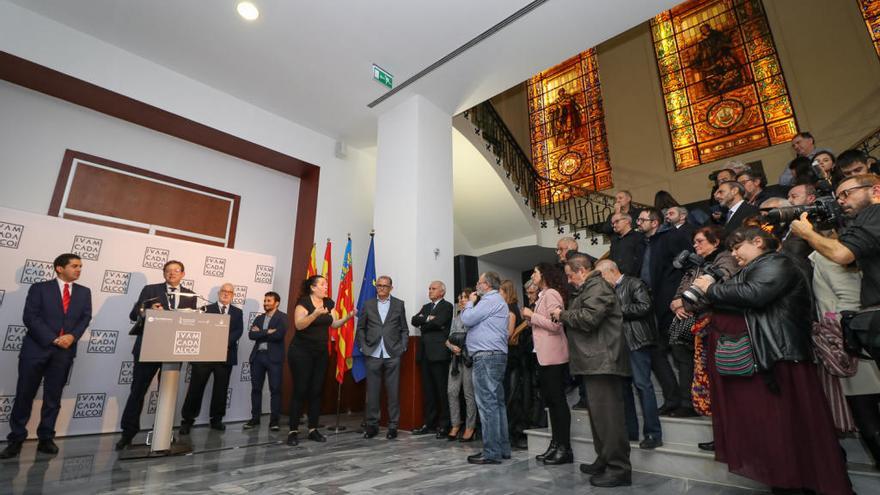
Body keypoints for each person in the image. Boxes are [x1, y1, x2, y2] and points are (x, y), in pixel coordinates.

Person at [692, 227, 853, 494]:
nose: (734, 255)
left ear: (757, 242)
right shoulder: (752, 267)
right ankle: (787, 484)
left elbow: (754, 295)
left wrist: (711, 289)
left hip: (780, 356)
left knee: (793, 431)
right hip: (765, 359)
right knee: (776, 435)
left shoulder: (778, 262)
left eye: (737, 247)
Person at [0, 254, 92, 459]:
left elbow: (85, 317)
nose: (79, 270)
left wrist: (72, 336)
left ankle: (46, 438)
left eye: (80, 266)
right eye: (74, 266)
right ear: (59, 268)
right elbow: (30, 317)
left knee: (53, 397)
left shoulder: (84, 292)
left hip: (65, 352)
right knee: (24, 394)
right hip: (36, 350)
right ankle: (16, 439)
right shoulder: (39, 288)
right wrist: (53, 339)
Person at [554, 254, 631, 487]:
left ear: (581, 271)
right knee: (599, 419)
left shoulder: (597, 286)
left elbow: (589, 318)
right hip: (594, 361)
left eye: (569, 275)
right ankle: (605, 459)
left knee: (609, 419)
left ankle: (619, 469)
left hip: (603, 361)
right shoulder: (590, 288)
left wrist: (562, 315)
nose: (568, 281)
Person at [791, 174, 880, 366]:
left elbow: (842, 254)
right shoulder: (863, 222)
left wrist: (807, 233)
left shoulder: (875, 211)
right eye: (838, 197)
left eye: (846, 194)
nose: (841, 201)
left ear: (875, 191)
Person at [118, 260, 197, 450]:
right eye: (168, 271)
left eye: (176, 271)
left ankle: (162, 433)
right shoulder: (150, 290)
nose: (172, 274)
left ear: (183, 274)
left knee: (168, 393)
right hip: (149, 348)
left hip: (174, 350)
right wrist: (148, 311)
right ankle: (127, 434)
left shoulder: (191, 295)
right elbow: (134, 313)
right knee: (138, 391)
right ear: (164, 273)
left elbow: (192, 321)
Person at [669, 226, 738, 421]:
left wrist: (685, 304)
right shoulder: (696, 263)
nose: (694, 245)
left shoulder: (723, 259)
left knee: (714, 374)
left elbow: (714, 292)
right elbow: (682, 288)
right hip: (696, 323)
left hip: (715, 322)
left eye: (700, 241)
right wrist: (676, 304)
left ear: (715, 242)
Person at [595, 259, 663, 450]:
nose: (600, 280)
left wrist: (616, 311)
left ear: (611, 271)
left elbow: (644, 307)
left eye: (601, 275)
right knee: (624, 390)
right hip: (618, 345)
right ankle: (630, 431)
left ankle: (653, 434)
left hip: (636, 342)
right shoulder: (608, 290)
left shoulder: (634, 283)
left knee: (643, 386)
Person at [286, 275, 356, 446]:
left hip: (320, 353)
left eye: (326, 284)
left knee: (316, 390)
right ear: (313, 287)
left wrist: (348, 317)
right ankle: (293, 431)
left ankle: (312, 429)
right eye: (323, 284)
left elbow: (334, 324)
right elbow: (299, 325)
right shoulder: (304, 302)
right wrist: (315, 314)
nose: (326, 287)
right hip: (301, 352)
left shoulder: (329, 303)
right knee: (300, 390)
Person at [638, 207, 690, 414]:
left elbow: (687, 266)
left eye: (642, 219)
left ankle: (687, 403)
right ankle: (672, 398)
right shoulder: (644, 243)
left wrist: (681, 297)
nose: (638, 223)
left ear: (655, 222)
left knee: (680, 354)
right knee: (657, 354)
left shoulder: (671, 237)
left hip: (673, 303)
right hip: (653, 306)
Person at [521, 263, 571, 465]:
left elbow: (556, 325)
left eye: (535, 271)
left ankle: (564, 448)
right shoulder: (544, 294)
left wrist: (532, 316)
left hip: (554, 357)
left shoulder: (551, 294)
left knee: (557, 403)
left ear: (544, 275)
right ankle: (555, 444)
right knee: (551, 402)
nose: (533, 274)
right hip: (544, 356)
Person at [461, 271, 511, 465]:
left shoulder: (489, 300)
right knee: (497, 404)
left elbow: (467, 320)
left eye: (479, 282)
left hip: (486, 357)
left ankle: (491, 452)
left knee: (488, 405)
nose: (476, 286)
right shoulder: (497, 300)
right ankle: (502, 448)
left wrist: (469, 303)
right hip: (494, 356)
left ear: (487, 285)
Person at [180, 282, 244, 434]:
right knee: (195, 389)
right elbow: (199, 329)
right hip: (204, 356)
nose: (226, 293)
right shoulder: (206, 309)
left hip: (226, 356)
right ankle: (187, 421)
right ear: (219, 293)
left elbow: (238, 331)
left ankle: (216, 420)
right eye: (223, 291)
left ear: (233, 295)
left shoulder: (237, 312)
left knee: (221, 390)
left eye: (229, 292)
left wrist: (223, 342)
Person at [357, 275, 409, 440]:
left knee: (393, 392)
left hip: (392, 354)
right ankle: (372, 425)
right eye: (379, 285)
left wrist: (403, 347)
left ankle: (393, 426)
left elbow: (404, 329)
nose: (381, 288)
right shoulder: (368, 304)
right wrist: (364, 347)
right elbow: (361, 328)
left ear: (391, 288)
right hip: (372, 353)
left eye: (384, 286)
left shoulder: (399, 304)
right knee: (372, 393)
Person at [411, 281, 453, 438]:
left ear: (442, 292)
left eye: (433, 289)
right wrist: (428, 319)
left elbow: (440, 322)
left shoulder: (447, 306)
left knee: (441, 391)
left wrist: (426, 322)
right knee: (428, 391)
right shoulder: (427, 307)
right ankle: (429, 423)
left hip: (439, 354)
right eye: (429, 288)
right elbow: (415, 320)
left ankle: (444, 424)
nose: (430, 291)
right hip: (425, 354)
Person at [243, 291, 288, 431]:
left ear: (277, 303)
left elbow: (279, 335)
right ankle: (255, 418)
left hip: (274, 358)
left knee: (275, 390)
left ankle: (274, 421)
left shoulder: (283, 317)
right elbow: (251, 334)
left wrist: (260, 333)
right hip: (258, 357)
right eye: (265, 301)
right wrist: (268, 331)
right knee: (256, 389)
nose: (265, 303)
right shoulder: (259, 318)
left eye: (269, 301)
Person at [500, 279, 529, 449]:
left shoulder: (510, 310)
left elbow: (508, 334)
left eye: (500, 292)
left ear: (506, 292)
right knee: (510, 396)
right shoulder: (510, 309)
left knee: (511, 396)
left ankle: (513, 434)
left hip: (512, 357)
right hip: (511, 357)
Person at [446, 289, 477, 443]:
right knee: (451, 392)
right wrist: (452, 347)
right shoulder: (455, 318)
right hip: (455, 360)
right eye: (460, 298)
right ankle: (455, 424)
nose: (463, 300)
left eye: (465, 297)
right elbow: (449, 338)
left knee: (469, 394)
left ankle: (470, 427)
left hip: (469, 359)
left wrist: (464, 346)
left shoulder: (475, 315)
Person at [609, 213, 645, 277]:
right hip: (617, 278)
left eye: (617, 221)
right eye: (612, 223)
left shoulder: (639, 237)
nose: (614, 225)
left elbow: (641, 260)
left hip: (634, 279)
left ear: (627, 221)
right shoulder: (614, 240)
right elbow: (612, 260)